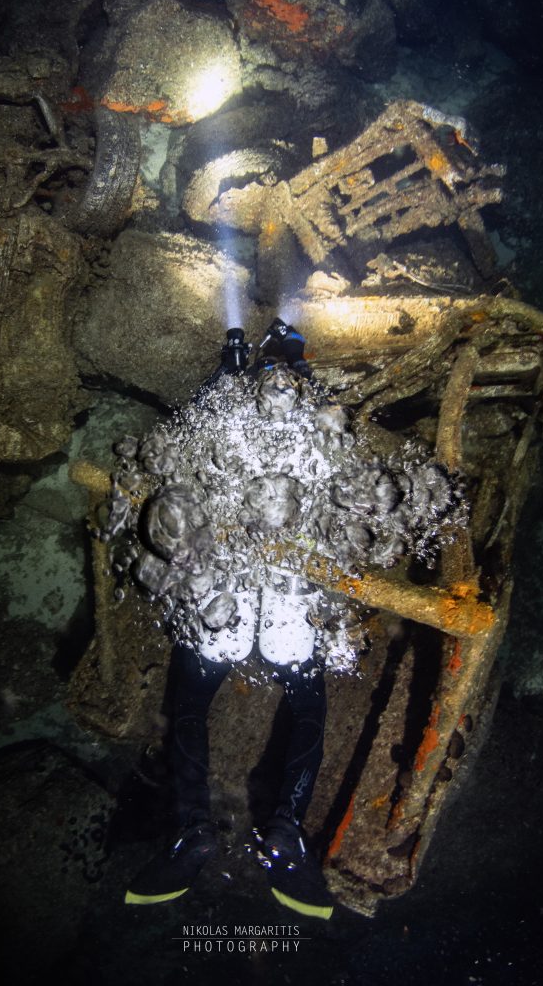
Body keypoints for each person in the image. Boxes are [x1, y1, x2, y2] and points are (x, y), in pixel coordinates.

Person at [124, 320, 334, 920]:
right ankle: (287, 831)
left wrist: (226, 369)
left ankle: (192, 830)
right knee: (309, 706)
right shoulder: (315, 427)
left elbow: (190, 435)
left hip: (229, 596)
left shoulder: (227, 418)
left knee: (190, 703)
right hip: (286, 600)